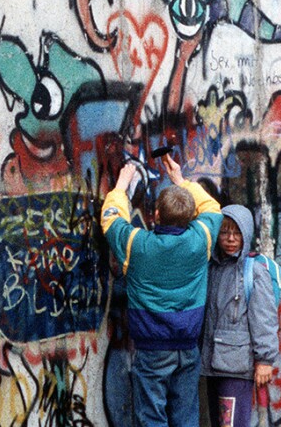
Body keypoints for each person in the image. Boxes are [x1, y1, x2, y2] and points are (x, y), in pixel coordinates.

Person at [101, 155, 223, 427]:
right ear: (190, 217)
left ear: (155, 215)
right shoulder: (200, 239)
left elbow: (111, 219)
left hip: (152, 348)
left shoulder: (138, 245)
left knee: (152, 418)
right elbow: (213, 209)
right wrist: (180, 180)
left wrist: (121, 186)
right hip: (188, 345)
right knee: (186, 417)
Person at [200, 205, 279, 427]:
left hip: (237, 367)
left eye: (237, 232)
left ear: (246, 233)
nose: (231, 238)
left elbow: (264, 318)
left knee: (232, 424)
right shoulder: (211, 267)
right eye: (224, 232)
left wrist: (265, 359)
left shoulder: (253, 270)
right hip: (211, 364)